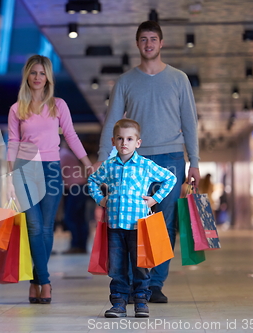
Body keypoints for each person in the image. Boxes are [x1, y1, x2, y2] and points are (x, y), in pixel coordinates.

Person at [92, 20, 200, 303]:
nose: (149, 44)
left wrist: (195, 162)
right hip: (132, 160)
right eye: (143, 39)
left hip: (171, 159)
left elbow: (190, 123)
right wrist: (104, 162)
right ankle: (129, 285)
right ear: (137, 44)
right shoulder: (126, 81)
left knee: (165, 224)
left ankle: (154, 284)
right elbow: (112, 124)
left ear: (161, 43)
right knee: (130, 223)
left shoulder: (178, 79)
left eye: (153, 39)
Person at [6, 55, 93, 304]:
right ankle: (45, 282)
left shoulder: (58, 105)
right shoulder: (17, 109)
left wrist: (86, 163)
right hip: (25, 169)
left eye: (42, 73)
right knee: (34, 226)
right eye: (33, 73)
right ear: (27, 76)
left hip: (51, 170)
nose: (37, 77)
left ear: (48, 78)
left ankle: (36, 281)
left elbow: (71, 135)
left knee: (46, 227)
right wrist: (10, 176)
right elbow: (13, 142)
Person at [88, 119, 177, 318]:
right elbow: (92, 180)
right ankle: (118, 303)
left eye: (129, 139)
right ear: (113, 141)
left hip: (139, 227)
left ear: (138, 143)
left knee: (141, 266)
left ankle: (141, 302)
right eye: (120, 138)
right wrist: (101, 200)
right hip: (114, 227)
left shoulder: (145, 165)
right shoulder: (109, 166)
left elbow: (170, 178)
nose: (124, 143)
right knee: (117, 267)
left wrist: (155, 199)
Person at [59, 141, 90, 254]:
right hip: (80, 187)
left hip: (75, 188)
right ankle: (81, 246)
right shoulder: (68, 154)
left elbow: (57, 172)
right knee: (79, 218)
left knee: (71, 218)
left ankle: (76, 245)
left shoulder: (63, 154)